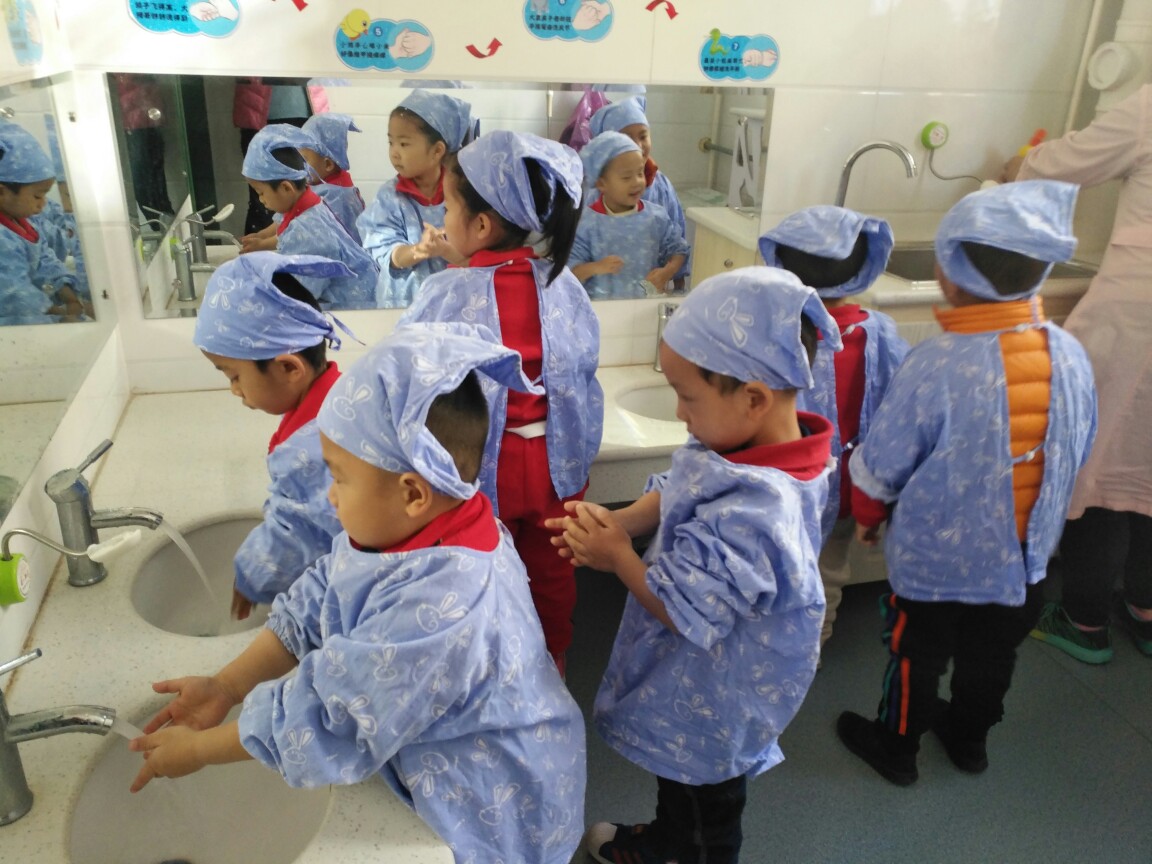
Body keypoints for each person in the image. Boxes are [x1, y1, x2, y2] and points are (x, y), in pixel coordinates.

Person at [128, 324, 587, 864]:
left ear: (412, 493)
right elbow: (320, 597)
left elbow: (334, 715)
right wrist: (226, 687)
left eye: (340, 478)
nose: (330, 496)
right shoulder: (411, 531)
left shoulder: (445, 604)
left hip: (495, 793)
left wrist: (200, 750)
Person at [549, 268, 837, 864]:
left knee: (707, 803)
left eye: (687, 396)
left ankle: (691, 852)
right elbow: (683, 483)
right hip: (697, 676)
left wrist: (616, 557)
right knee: (680, 790)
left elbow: (684, 611)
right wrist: (624, 521)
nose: (680, 413)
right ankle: (667, 841)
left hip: (717, 692)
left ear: (753, 398)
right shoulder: (746, 444)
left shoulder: (761, 509)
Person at [836, 180, 1097, 786]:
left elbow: (884, 460)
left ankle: (896, 746)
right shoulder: (1070, 354)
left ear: (950, 272)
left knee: (915, 655)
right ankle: (970, 741)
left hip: (938, 564)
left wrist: (870, 518)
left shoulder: (937, 362)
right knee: (993, 657)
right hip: (1024, 563)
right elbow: (1079, 443)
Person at [400, 130, 602, 677]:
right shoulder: (562, 285)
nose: (442, 217)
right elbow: (584, 372)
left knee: (483, 570)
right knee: (553, 571)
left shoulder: (447, 292)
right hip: (556, 463)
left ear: (482, 226)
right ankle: (553, 660)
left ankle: (496, 672)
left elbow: (407, 374)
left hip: (484, 463)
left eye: (448, 207)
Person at [1000, 86, 1152, 664]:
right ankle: (1145, 610)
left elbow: (1057, 166)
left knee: (1099, 463)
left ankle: (1085, 619)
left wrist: (1020, 165)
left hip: (1137, 320)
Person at [759, 205, 909, 648]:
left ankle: (764, 647)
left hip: (780, 484)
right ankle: (812, 649)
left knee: (770, 567)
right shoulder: (881, 333)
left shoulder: (771, 330)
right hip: (845, 486)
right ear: (865, 268)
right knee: (828, 574)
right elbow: (897, 412)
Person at [193, 251, 355, 620]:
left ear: (288, 368)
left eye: (234, 376)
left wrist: (251, 575)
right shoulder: (341, 398)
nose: (234, 390)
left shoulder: (316, 446)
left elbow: (299, 533)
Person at [240, 123, 377, 309]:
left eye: (260, 192)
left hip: (353, 310)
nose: (261, 200)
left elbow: (300, 295)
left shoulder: (308, 232)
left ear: (286, 188)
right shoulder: (305, 209)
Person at [357, 90, 474, 308]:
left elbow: (475, 259)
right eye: (390, 142)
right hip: (403, 304)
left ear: (437, 151)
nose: (394, 153)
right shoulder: (389, 197)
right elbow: (386, 253)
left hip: (454, 301)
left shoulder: (463, 194)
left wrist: (443, 249)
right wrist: (417, 251)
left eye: (403, 144)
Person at [569, 131, 688, 299]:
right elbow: (571, 271)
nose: (637, 182)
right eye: (626, 177)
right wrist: (596, 267)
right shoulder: (587, 223)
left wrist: (667, 272)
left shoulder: (656, 217)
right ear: (601, 184)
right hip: (602, 308)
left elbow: (679, 250)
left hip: (646, 305)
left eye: (640, 173)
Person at [589, 95, 690, 289]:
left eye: (643, 136)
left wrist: (676, 283)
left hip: (650, 291)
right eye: (626, 139)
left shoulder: (662, 187)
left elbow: (678, 241)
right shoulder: (594, 192)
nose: (638, 145)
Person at [0, 120, 85, 325]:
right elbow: (15, 294)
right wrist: (58, 314)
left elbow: (45, 260)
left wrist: (69, 295)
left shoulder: (25, 221)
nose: (43, 203)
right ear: (2, 192)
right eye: (38, 196)